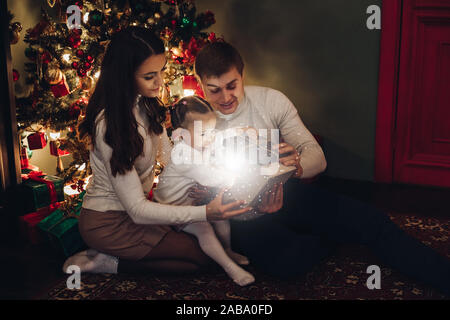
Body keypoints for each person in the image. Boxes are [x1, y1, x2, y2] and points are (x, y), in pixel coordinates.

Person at [188, 41, 450, 295]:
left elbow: (317, 157)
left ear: (242, 75)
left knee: (373, 221)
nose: (225, 97)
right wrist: (204, 196)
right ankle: (329, 237)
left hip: (284, 190)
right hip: (238, 214)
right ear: (199, 84)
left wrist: (295, 165)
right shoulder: (191, 121)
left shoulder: (270, 100)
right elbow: (180, 185)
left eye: (232, 86)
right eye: (214, 90)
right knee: (289, 264)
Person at [62, 27, 253, 275]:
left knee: (207, 249)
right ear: (125, 76)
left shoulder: (145, 105)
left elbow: (170, 157)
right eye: (150, 76)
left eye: (161, 71)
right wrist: (205, 212)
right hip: (108, 223)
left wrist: (201, 169)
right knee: (203, 260)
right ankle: (106, 262)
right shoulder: (109, 125)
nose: (160, 82)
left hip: (137, 214)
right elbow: (138, 210)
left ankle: (121, 256)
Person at [153, 95, 281, 286]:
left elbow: (218, 137)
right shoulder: (184, 155)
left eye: (211, 131)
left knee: (221, 217)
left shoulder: (199, 141)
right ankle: (230, 268)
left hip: (190, 202)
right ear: (181, 135)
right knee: (204, 229)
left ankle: (227, 249)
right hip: (170, 208)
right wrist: (233, 175)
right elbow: (209, 178)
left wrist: (239, 131)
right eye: (204, 134)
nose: (210, 137)